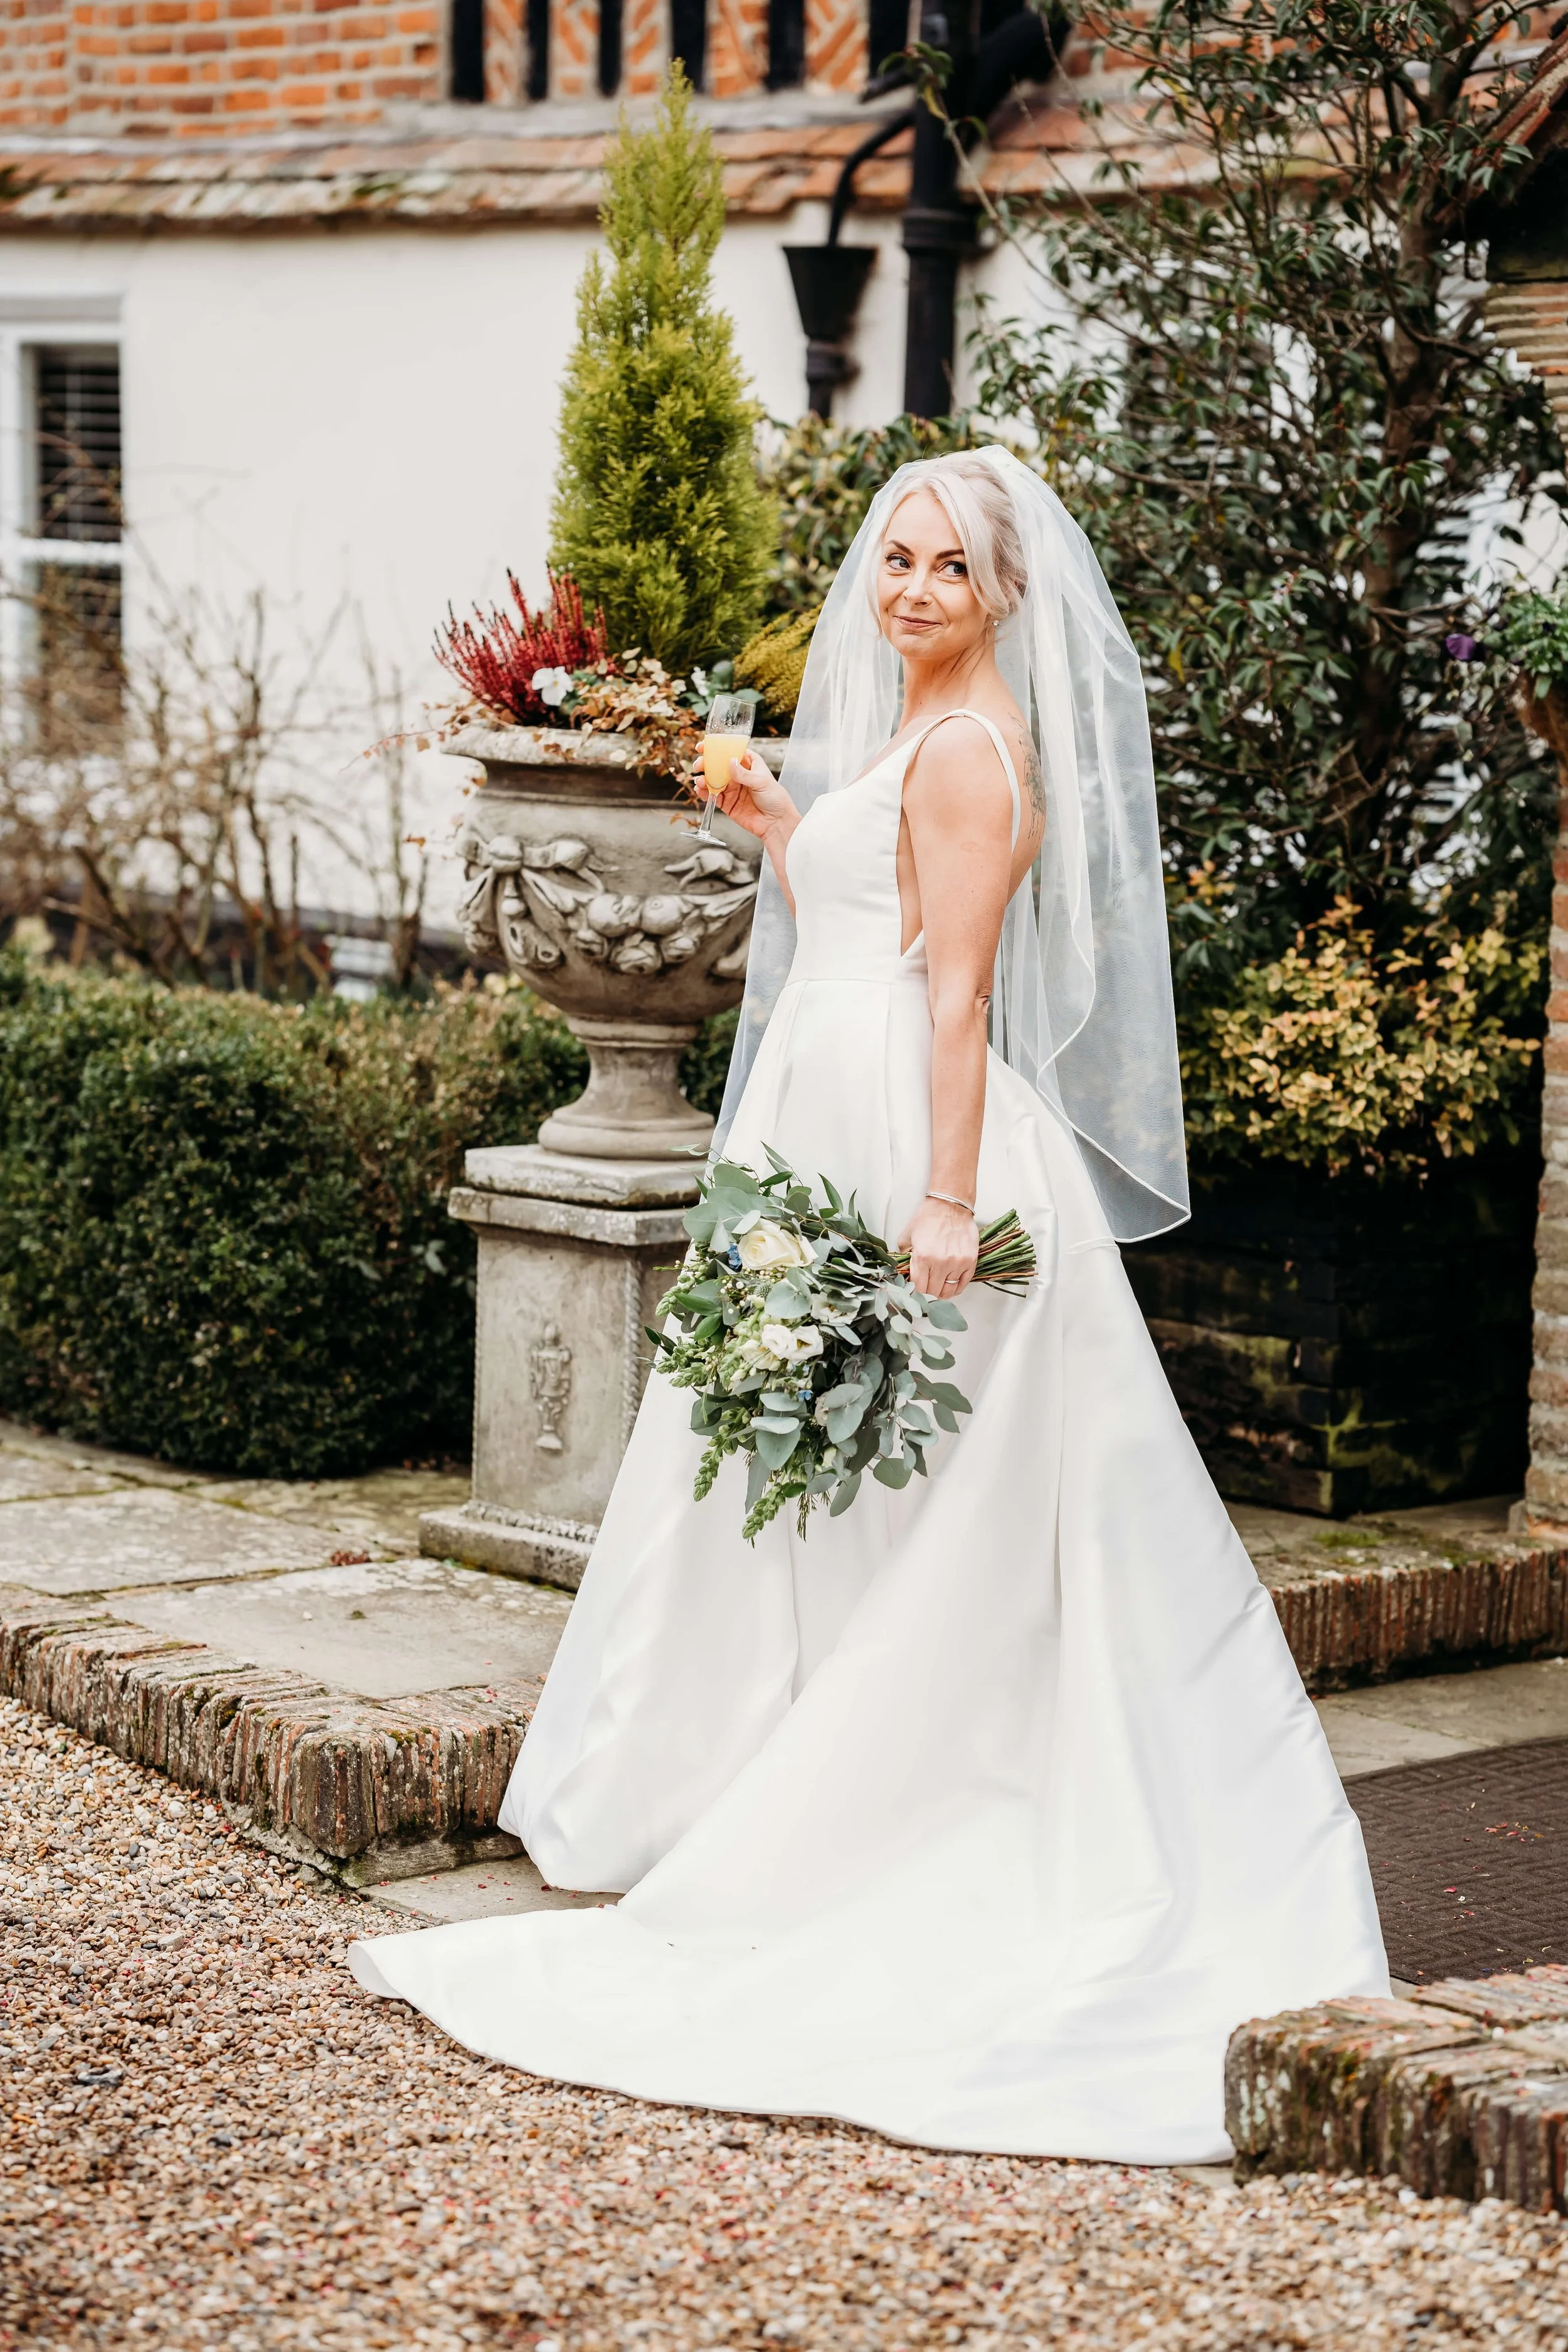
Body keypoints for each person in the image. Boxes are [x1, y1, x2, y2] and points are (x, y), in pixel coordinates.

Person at [350, 450, 1387, 2163]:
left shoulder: (975, 755)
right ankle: (759, 1780)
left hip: (911, 1140)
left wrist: (940, 1205)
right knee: (821, 1496)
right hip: (824, 1119)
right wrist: (768, 813)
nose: (907, 588)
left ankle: (904, 1806)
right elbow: (861, 902)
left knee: (928, 1513)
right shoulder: (914, 740)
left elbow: (958, 996)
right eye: (892, 558)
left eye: (943, 569)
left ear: (1000, 596)